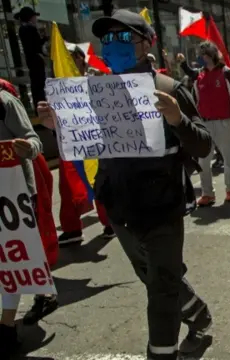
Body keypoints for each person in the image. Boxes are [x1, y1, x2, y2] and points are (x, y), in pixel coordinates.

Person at [38, 10, 214, 359]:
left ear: (146, 42)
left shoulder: (169, 89)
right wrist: (59, 126)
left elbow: (205, 145)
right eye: (108, 39)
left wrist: (178, 119)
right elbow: (87, 143)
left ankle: (161, 353)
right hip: (119, 207)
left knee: (161, 291)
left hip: (162, 207)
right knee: (154, 276)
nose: (113, 46)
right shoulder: (95, 92)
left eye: (124, 38)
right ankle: (199, 314)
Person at [0, 82, 45, 357]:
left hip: (15, 195)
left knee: (12, 259)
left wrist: (27, 147)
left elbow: (34, 139)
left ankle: (6, 325)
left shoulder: (5, 102)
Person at [56, 45, 115, 245]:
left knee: (98, 179)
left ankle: (110, 222)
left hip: (94, 139)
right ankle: (72, 229)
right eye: (66, 58)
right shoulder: (59, 84)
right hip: (70, 141)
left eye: (73, 57)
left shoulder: (95, 79)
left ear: (82, 59)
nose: (69, 61)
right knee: (68, 186)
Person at [177, 42, 230, 205]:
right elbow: (194, 98)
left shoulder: (226, 73)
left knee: (228, 158)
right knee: (203, 160)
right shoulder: (199, 75)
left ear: (212, 55)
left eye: (205, 54)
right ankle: (207, 194)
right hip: (205, 124)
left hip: (224, 122)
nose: (202, 57)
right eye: (201, 55)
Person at [15, 6, 48, 111]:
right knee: (40, 85)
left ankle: (38, 107)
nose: (36, 19)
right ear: (30, 17)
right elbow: (36, 45)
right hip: (36, 59)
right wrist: (45, 39)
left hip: (31, 60)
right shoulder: (30, 28)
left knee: (35, 85)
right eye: (34, 16)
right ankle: (42, 107)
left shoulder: (22, 29)